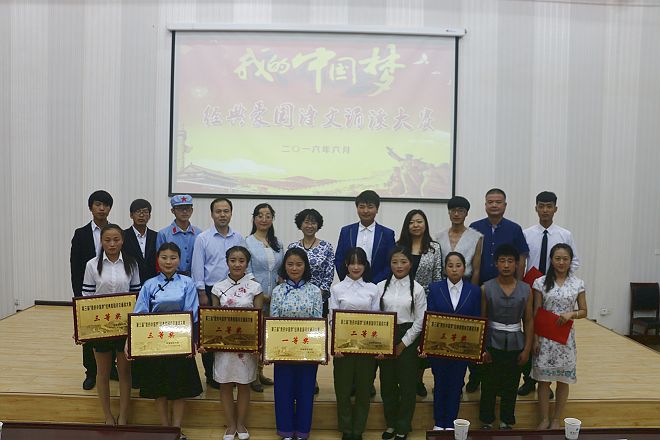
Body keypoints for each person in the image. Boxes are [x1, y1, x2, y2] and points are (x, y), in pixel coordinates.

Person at [129, 242, 202, 440]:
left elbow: (193, 313)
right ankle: (164, 429)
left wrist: (193, 341)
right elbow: (140, 314)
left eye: (173, 258)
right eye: (164, 257)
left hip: (180, 342)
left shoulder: (187, 283)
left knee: (179, 388)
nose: (168, 262)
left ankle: (176, 429)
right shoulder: (149, 284)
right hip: (155, 344)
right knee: (158, 388)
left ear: (179, 260)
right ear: (158, 260)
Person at [519, 191, 580, 396]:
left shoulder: (565, 235)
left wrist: (559, 280)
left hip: (555, 293)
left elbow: (574, 261)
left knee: (552, 336)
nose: (545, 210)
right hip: (532, 289)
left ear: (555, 208)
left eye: (549, 206)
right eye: (541, 206)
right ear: (536, 208)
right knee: (530, 333)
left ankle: (548, 381)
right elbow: (522, 262)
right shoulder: (526, 233)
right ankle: (529, 379)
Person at [467, 188, 529, 392]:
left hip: (509, 289)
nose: (494, 205)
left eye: (498, 202)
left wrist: (518, 285)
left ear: (505, 205)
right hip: (482, 289)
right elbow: (471, 259)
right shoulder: (475, 228)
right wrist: (473, 289)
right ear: (485, 205)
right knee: (478, 332)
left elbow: (521, 259)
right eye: (490, 202)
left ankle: (508, 377)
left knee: (504, 331)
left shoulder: (514, 229)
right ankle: (475, 376)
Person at [81, 224, 141, 425]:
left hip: (124, 328)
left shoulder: (132, 264)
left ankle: (123, 415)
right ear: (101, 241)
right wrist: (83, 328)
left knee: (125, 373)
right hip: (101, 329)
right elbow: (86, 298)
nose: (112, 244)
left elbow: (137, 297)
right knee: (103, 373)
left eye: (116, 239)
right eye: (107, 240)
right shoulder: (91, 265)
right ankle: (107, 415)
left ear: (122, 241)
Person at [209, 246, 264, 440]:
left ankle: (241, 423)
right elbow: (212, 318)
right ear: (227, 262)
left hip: (246, 347)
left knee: (243, 384)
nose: (237, 264)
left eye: (241, 261)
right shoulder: (218, 287)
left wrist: (258, 344)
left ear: (247, 263)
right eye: (233, 260)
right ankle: (230, 425)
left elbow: (259, 318)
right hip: (224, 346)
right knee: (225, 384)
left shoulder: (255, 287)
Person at [269, 248, 323, 440]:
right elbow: (273, 322)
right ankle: (285, 430)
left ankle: (302, 431)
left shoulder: (315, 291)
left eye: (299, 264)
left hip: (308, 350)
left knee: (305, 391)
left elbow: (318, 321)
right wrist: (270, 351)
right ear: (284, 266)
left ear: (305, 266)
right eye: (290, 264)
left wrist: (319, 351)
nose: (294, 268)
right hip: (283, 350)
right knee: (283, 391)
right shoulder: (278, 291)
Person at [192, 197, 245, 390]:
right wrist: (201, 292)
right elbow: (197, 266)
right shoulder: (203, 238)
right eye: (218, 211)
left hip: (234, 289)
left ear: (231, 213)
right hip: (209, 290)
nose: (222, 215)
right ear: (212, 214)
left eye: (226, 211)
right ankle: (211, 375)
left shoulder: (238, 238)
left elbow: (243, 263)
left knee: (231, 332)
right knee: (210, 334)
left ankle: (232, 374)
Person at [424, 252, 481, 431]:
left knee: (456, 385)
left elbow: (477, 319)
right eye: (450, 266)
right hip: (439, 347)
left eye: (458, 265)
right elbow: (430, 317)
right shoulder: (435, 288)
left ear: (464, 268)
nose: (454, 269)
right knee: (440, 383)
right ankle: (438, 422)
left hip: (462, 349)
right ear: (445, 269)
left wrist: (478, 348)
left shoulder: (474, 291)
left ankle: (450, 423)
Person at [479, 244, 534, 430]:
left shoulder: (526, 290)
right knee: (488, 384)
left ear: (517, 264)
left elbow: (528, 320)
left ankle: (507, 421)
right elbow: (482, 319)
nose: (506, 265)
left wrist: (527, 349)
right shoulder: (486, 288)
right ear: (496, 264)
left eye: (510, 261)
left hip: (516, 343)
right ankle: (486, 420)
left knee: (511, 384)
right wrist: (482, 348)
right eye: (502, 261)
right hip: (491, 342)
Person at [532, 244, 586, 429]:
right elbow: (536, 311)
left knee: (563, 380)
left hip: (566, 339)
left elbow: (584, 311)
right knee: (544, 381)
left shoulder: (577, 283)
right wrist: (535, 338)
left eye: (565, 259)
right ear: (551, 260)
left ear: (570, 261)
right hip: (545, 338)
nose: (561, 262)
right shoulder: (540, 282)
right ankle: (544, 418)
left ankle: (556, 419)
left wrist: (572, 314)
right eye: (557, 258)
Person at [329, 248, 380, 440]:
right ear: (346, 265)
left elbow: (378, 319)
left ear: (365, 265)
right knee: (342, 390)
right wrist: (337, 345)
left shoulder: (373, 289)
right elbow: (332, 319)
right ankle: (346, 429)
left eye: (360, 263)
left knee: (363, 390)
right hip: (344, 348)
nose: (356, 267)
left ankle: (358, 430)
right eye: (352, 263)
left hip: (366, 348)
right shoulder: (337, 289)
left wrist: (376, 346)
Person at [377, 246, 427, 440]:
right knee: (387, 383)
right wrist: (382, 343)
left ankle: (403, 426)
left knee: (407, 385)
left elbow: (420, 321)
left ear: (410, 264)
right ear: (390, 264)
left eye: (403, 262)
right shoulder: (380, 286)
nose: (399, 266)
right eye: (395, 262)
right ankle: (391, 424)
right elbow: (376, 316)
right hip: (385, 336)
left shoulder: (418, 289)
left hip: (409, 338)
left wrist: (403, 344)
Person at [70, 189, 114, 390]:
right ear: (91, 207)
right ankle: (91, 372)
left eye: (105, 205)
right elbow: (75, 267)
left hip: (112, 292)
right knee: (89, 333)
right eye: (98, 204)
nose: (102, 208)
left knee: (112, 331)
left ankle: (111, 369)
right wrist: (78, 297)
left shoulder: (115, 232)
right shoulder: (81, 234)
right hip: (89, 292)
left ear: (110, 208)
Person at [396, 209, 442, 397]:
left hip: (426, 299)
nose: (415, 225)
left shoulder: (434, 248)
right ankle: (402, 379)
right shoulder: (400, 246)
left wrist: (435, 302)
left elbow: (437, 275)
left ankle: (418, 380)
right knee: (404, 339)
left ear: (425, 224)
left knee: (420, 342)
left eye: (419, 221)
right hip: (402, 300)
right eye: (411, 222)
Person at [245, 202, 283, 392]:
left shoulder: (278, 243)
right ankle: (251, 375)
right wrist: (261, 294)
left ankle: (260, 371)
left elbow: (281, 270)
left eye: (268, 216)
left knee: (267, 336)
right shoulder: (247, 242)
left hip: (275, 297)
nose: (264, 219)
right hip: (256, 297)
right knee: (255, 335)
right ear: (254, 219)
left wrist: (277, 290)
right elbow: (248, 271)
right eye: (260, 215)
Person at [335, 190, 396, 284]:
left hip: (377, 286)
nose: (365, 211)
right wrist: (348, 281)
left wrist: (374, 284)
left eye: (370, 207)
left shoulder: (387, 234)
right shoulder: (346, 231)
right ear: (357, 208)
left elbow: (390, 263)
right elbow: (339, 259)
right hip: (349, 285)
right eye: (362, 207)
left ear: (377, 209)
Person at [288, 208, 335, 317]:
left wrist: (319, 293)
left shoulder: (326, 247)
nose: (310, 226)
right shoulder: (293, 247)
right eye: (306, 222)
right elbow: (288, 271)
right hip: (294, 298)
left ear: (318, 225)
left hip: (319, 298)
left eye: (313, 223)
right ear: (300, 224)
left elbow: (329, 273)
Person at [436, 196, 483, 285]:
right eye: (453, 210)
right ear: (449, 212)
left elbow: (476, 270)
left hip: (466, 281)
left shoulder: (476, 237)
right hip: (444, 282)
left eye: (461, 211)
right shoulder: (439, 236)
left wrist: (472, 290)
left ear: (466, 213)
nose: (456, 214)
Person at [156, 194, 200, 276]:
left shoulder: (199, 233)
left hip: (194, 277)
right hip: (171, 277)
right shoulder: (163, 234)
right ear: (172, 211)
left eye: (187, 208)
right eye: (180, 208)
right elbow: (160, 260)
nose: (184, 212)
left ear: (192, 210)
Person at [123, 199, 158, 290]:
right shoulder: (123, 236)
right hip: (129, 283)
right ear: (131, 215)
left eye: (145, 212)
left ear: (149, 216)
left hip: (152, 283)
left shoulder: (156, 236)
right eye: (138, 212)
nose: (141, 215)